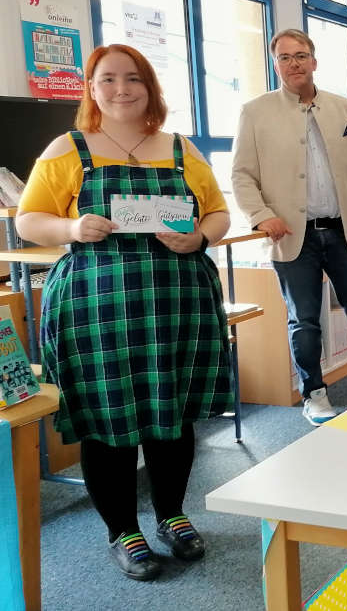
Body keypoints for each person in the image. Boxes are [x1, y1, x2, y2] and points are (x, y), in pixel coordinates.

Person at [15, 44, 234, 581]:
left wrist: (199, 238)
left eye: (132, 79)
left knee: (172, 415)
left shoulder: (181, 149)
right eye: (107, 79)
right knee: (106, 419)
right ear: (91, 88)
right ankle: (123, 530)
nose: (120, 89)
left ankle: (172, 515)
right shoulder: (67, 149)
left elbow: (220, 212)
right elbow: (28, 221)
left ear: (150, 87)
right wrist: (70, 228)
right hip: (97, 305)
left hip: (178, 301)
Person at [232, 29, 347, 427]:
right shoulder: (255, 112)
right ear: (275, 65)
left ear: (314, 61)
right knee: (305, 319)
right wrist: (262, 215)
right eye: (284, 57)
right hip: (291, 237)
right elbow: (242, 176)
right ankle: (314, 393)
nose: (294, 63)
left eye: (301, 55)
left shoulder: (343, 108)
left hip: (344, 230)